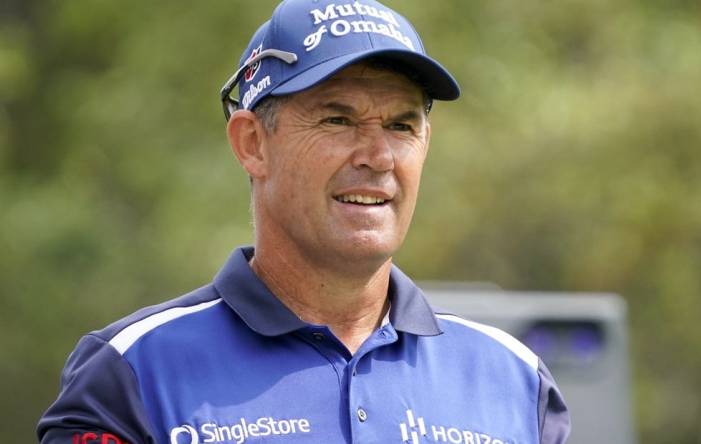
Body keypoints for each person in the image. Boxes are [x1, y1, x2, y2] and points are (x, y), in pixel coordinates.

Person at [37, 0, 570, 443]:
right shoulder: (133, 370)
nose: (378, 155)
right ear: (252, 144)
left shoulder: (514, 378)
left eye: (401, 124)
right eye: (338, 119)